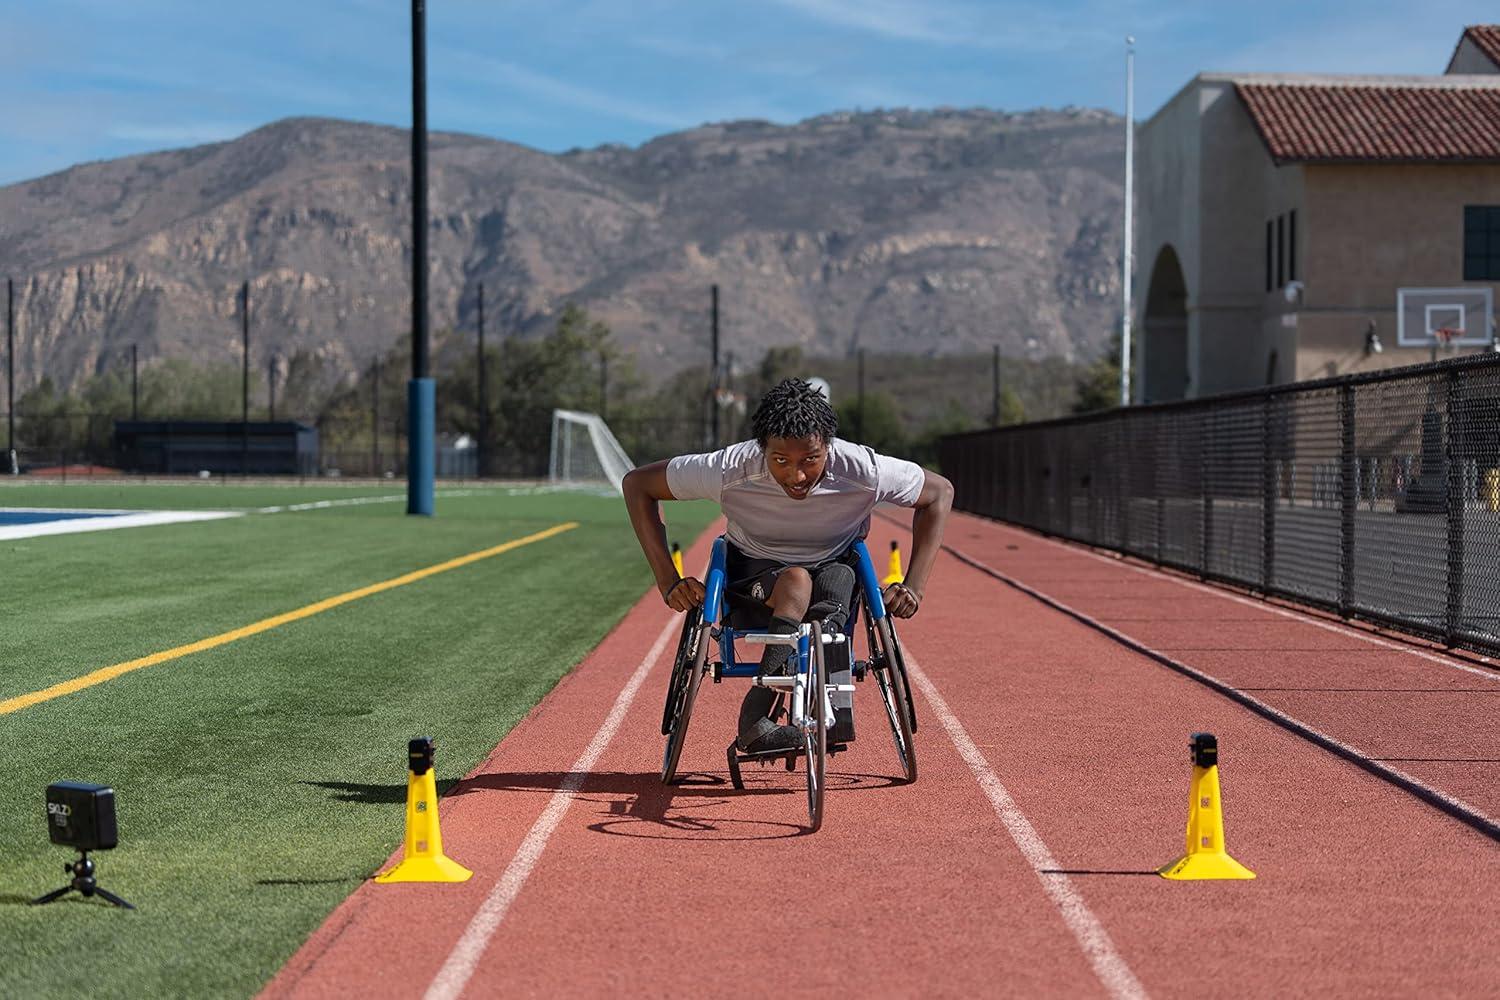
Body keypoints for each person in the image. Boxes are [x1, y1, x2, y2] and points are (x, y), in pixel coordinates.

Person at [622, 377, 954, 754]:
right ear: (761, 449)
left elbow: (939, 493)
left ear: (828, 446)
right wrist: (669, 581)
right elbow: (638, 485)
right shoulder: (729, 468)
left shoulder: (863, 469)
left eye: (810, 460)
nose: (797, 476)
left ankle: (826, 684)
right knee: (796, 581)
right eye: (780, 461)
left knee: (839, 575)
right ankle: (755, 719)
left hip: (833, 574)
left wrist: (914, 586)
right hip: (753, 577)